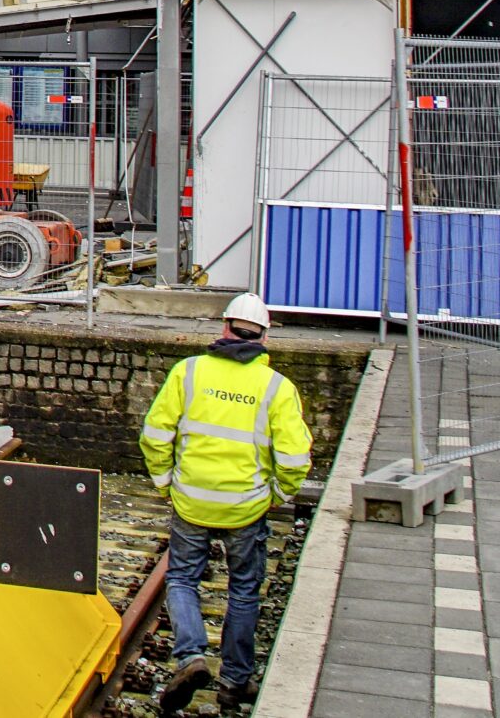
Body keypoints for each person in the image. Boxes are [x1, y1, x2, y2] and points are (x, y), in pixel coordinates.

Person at [139, 291, 312, 714]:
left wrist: (166, 484)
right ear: (264, 338)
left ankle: (191, 656)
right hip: (246, 507)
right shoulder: (276, 388)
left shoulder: (189, 372)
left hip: (192, 500)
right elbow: (294, 458)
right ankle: (234, 682)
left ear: (224, 328)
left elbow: (155, 435)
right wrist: (277, 495)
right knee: (244, 591)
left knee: (182, 580)